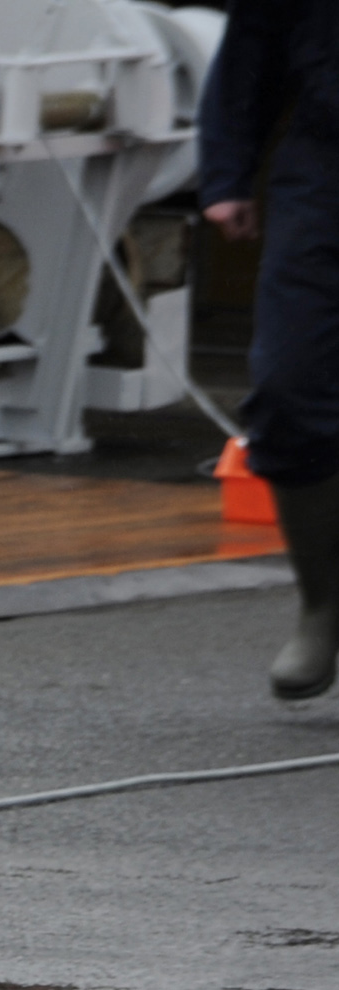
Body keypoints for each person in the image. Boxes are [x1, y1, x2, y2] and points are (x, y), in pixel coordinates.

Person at [201, 0, 339, 698]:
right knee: (289, 388)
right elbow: (254, 39)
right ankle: (323, 604)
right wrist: (227, 169)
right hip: (325, 170)